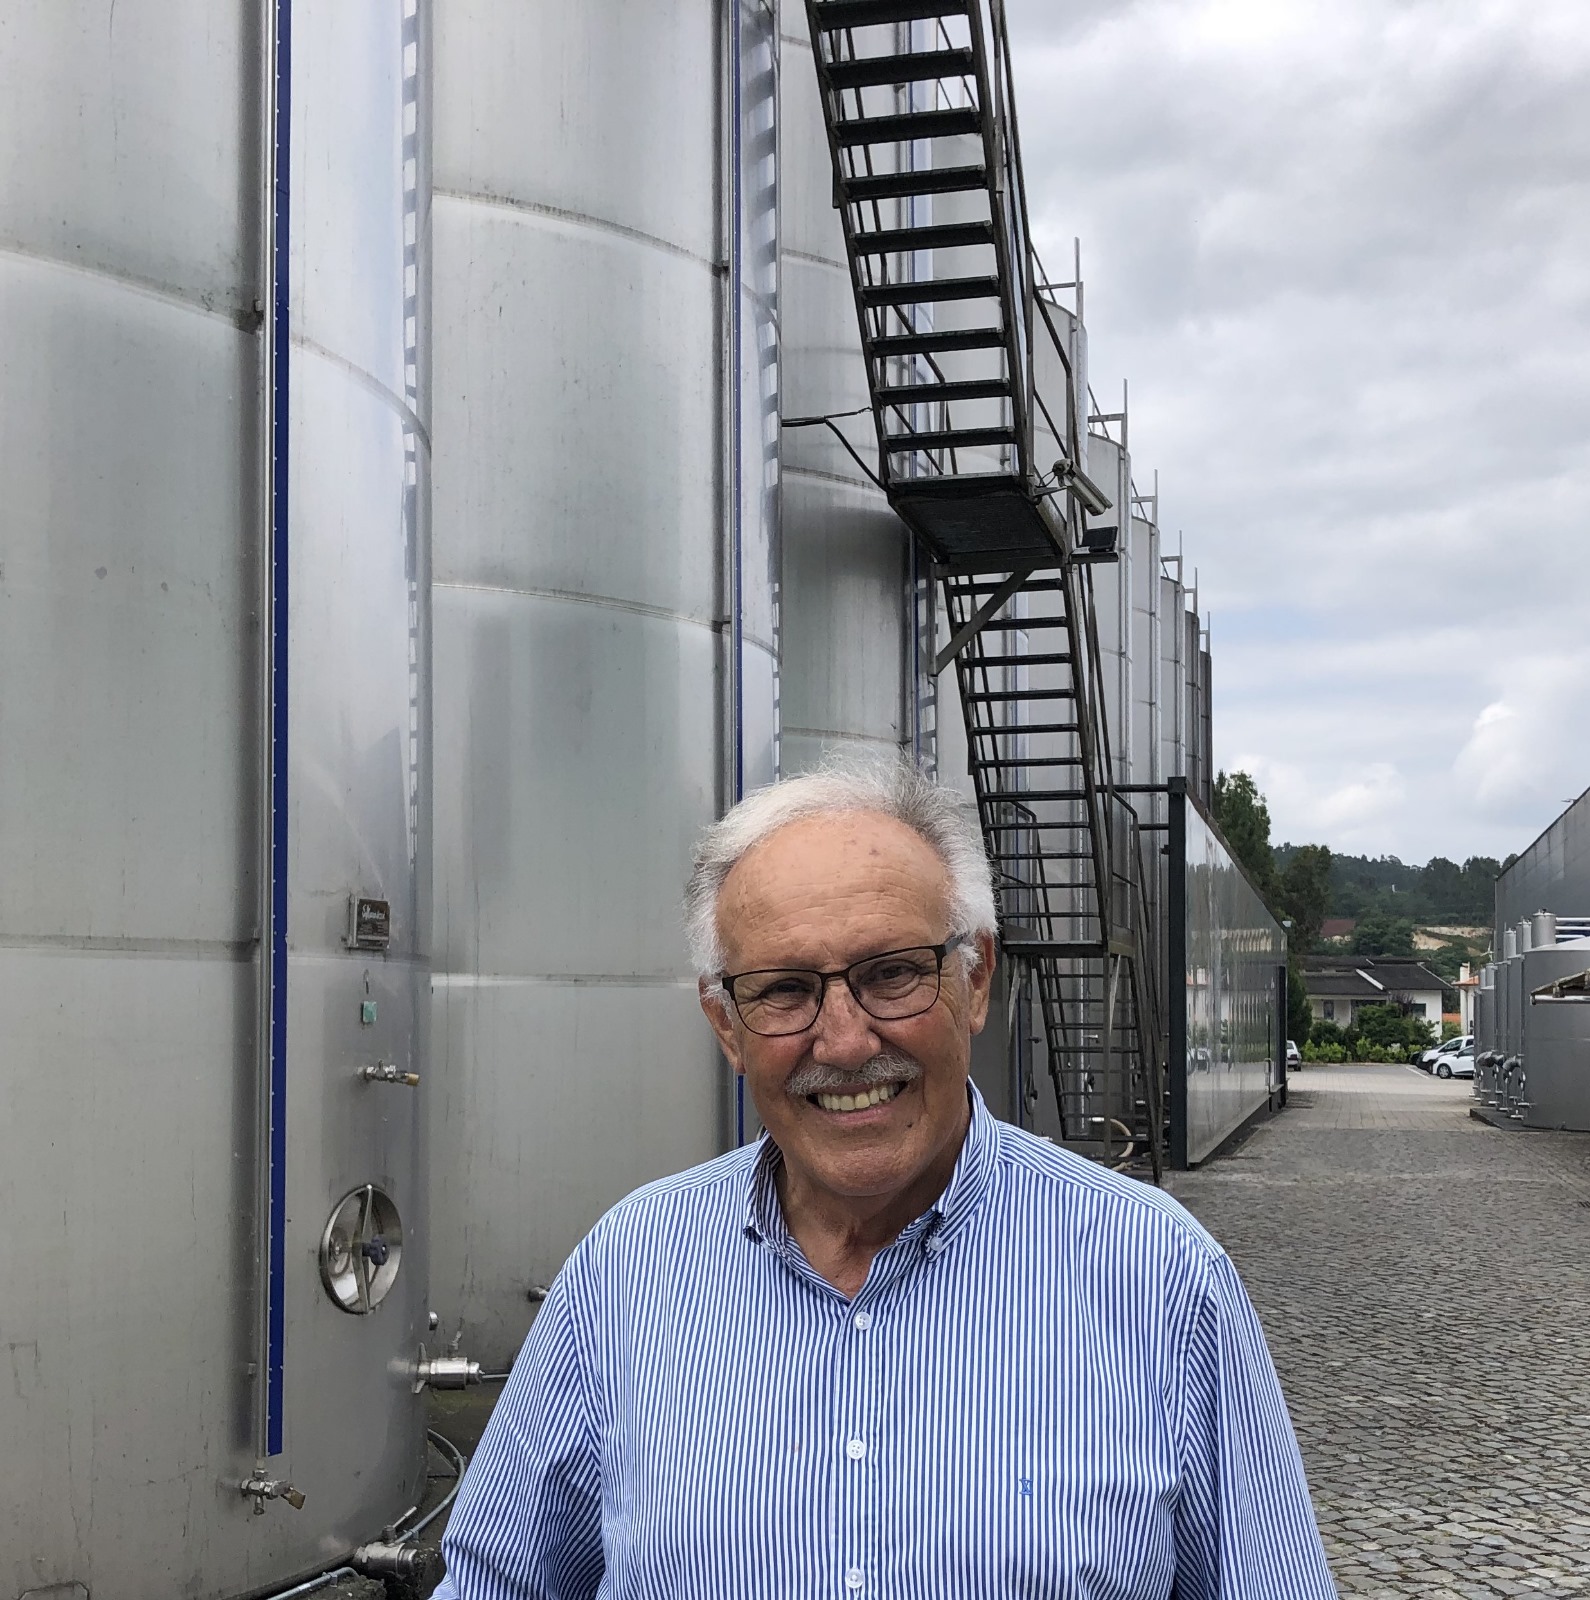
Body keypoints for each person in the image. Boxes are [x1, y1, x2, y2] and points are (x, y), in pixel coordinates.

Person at [435, 760, 1337, 1598]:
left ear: (976, 979)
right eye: (785, 989)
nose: (843, 1042)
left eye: (893, 973)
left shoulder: (1159, 1277)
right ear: (725, 1024)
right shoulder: (626, 1272)